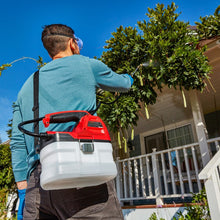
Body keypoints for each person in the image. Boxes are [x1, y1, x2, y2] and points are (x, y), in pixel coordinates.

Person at [10, 24, 133, 219]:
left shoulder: (27, 86)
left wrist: (23, 189)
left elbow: (17, 141)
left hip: (37, 184)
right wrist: (130, 77)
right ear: (72, 43)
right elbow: (124, 84)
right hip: (80, 175)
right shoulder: (87, 65)